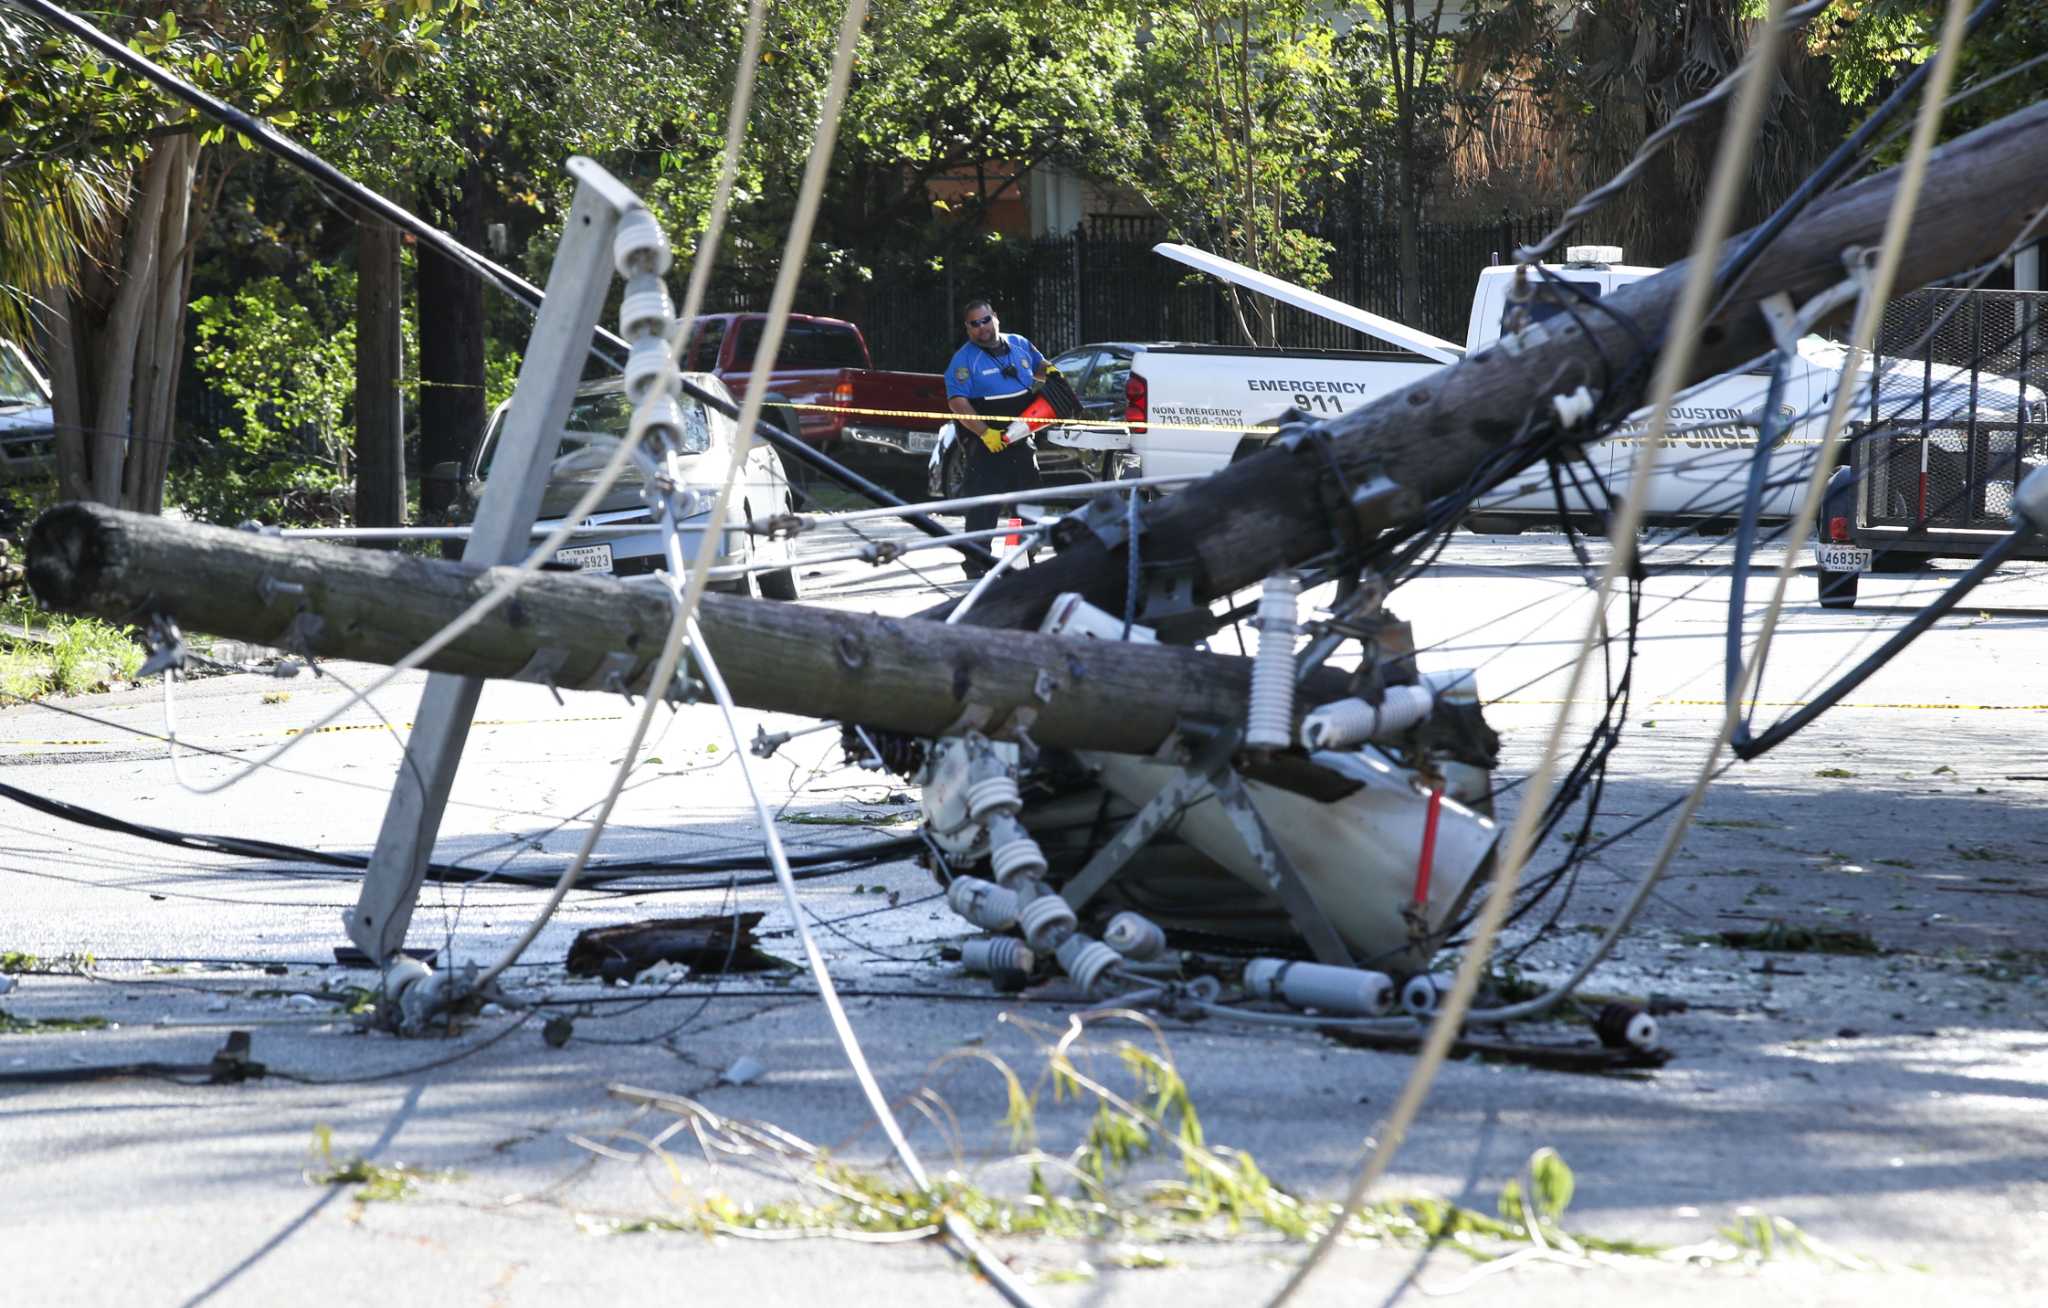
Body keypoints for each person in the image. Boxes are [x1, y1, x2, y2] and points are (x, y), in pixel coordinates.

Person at [944, 298, 1048, 576]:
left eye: (985, 320)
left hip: (1022, 431)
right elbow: (957, 402)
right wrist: (984, 432)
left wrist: (1053, 373)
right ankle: (976, 564)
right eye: (974, 324)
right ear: (967, 329)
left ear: (995, 318)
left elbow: (1041, 367)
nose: (982, 328)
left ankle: (1023, 557)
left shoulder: (1019, 344)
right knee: (983, 504)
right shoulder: (964, 359)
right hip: (985, 438)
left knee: (1030, 499)